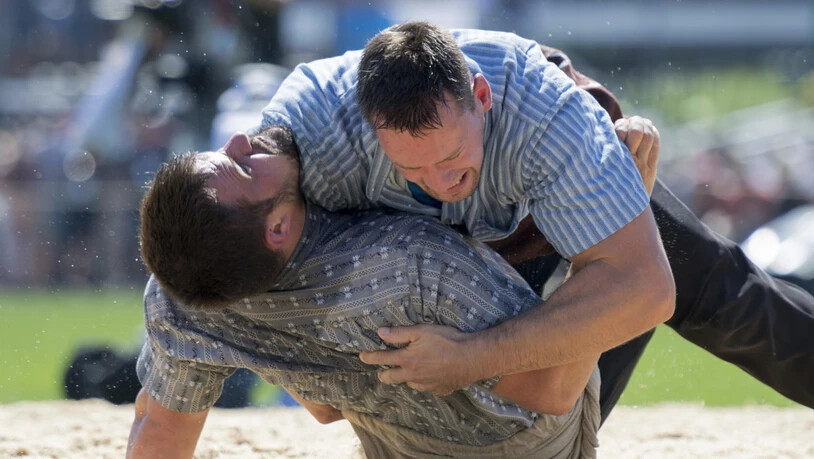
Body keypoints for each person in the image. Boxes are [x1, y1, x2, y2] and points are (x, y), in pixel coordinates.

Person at [225, 22, 813, 416]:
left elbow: (640, 288)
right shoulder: (314, 136)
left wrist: (475, 357)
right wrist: (313, 381)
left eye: (452, 157)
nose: (440, 180)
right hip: (446, 259)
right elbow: (246, 232)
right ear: (369, 126)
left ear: (481, 96)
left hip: (548, 210)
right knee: (517, 428)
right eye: (413, 166)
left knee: (713, 290)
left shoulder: (549, 116)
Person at [127, 126, 610, 457]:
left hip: (391, 445)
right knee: (625, 263)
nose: (237, 140)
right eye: (242, 166)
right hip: (530, 445)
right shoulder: (405, 266)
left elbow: (160, 425)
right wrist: (599, 249)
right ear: (276, 229)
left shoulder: (184, 298)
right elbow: (552, 388)